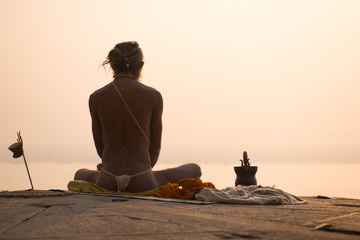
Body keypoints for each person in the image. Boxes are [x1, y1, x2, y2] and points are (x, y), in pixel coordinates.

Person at [74, 41, 201, 192]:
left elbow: (101, 149)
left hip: (107, 179)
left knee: (79, 174)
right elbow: (154, 150)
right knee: (194, 169)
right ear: (140, 66)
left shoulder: (96, 97)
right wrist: (142, 171)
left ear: (113, 65)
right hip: (142, 180)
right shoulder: (153, 96)